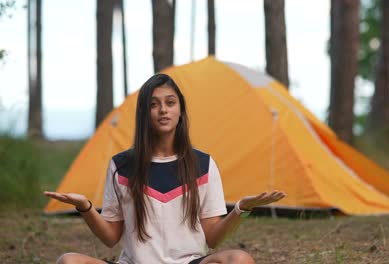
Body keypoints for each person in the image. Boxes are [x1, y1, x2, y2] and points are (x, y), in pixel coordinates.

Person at [44, 73, 286, 264]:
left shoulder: (202, 165)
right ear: (144, 113)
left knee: (241, 259)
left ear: (180, 111)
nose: (163, 110)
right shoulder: (121, 166)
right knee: (68, 260)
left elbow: (212, 237)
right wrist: (85, 208)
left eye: (170, 103)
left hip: (189, 262)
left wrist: (241, 209)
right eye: (154, 104)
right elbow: (110, 238)